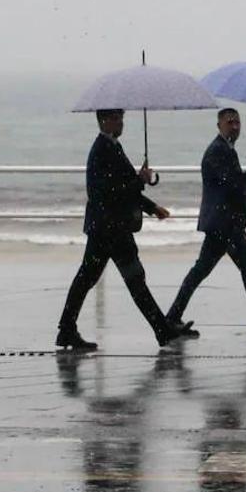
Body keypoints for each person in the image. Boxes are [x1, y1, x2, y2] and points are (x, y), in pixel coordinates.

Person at [57, 109, 190, 350]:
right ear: (104, 121)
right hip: (109, 229)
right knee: (124, 279)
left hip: (108, 228)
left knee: (95, 278)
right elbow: (110, 192)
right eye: (117, 118)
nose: (121, 122)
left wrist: (151, 205)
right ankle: (162, 330)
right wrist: (140, 180)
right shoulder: (102, 150)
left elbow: (126, 187)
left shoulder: (112, 147)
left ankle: (67, 329)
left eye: (122, 118)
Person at [166, 108, 246, 337]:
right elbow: (232, 187)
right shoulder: (218, 151)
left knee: (228, 269)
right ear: (219, 125)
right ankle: (172, 319)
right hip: (223, 224)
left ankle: (173, 318)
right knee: (218, 270)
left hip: (227, 223)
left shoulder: (227, 150)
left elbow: (236, 180)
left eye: (238, 122)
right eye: (230, 123)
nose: (235, 126)